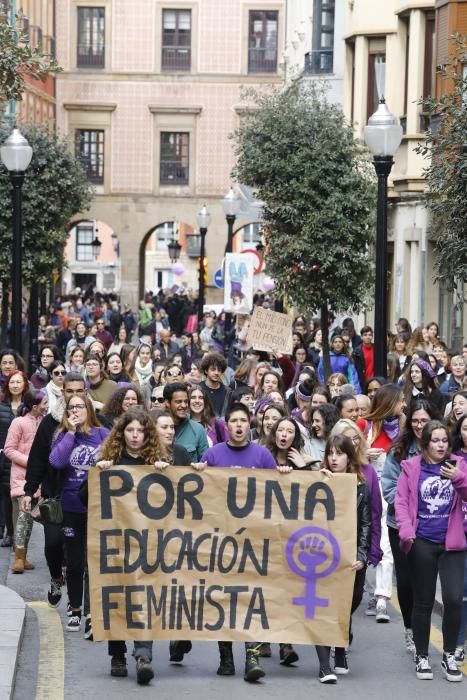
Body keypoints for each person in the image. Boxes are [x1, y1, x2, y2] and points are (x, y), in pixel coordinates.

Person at [193, 402, 277, 682]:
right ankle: (226, 656)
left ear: (249, 424)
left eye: (243, 421)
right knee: (224, 600)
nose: (239, 426)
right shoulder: (213, 455)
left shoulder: (263, 455)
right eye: (234, 421)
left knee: (252, 598)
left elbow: (280, 494)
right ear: (226, 425)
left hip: (254, 542)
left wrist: (287, 475)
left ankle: (252, 654)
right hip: (220, 543)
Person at [93, 408, 171, 684]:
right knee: (116, 598)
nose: (135, 436)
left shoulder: (159, 463)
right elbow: (85, 500)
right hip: (115, 546)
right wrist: (99, 473)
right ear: (121, 433)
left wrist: (167, 475)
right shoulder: (109, 461)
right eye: (130, 430)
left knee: (144, 598)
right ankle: (117, 654)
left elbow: (181, 504)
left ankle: (143, 655)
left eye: (141, 431)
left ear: (148, 433)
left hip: (149, 547)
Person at [395, 420, 467, 682]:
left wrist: (457, 477)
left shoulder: (458, 464)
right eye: (435, 440)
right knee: (423, 601)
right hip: (422, 541)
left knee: (453, 598)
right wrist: (405, 530)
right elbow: (401, 501)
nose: (441, 445)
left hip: (452, 544)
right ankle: (422, 655)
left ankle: (449, 655)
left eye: (445, 440)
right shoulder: (412, 467)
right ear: (425, 444)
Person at [381, 399, 442, 654]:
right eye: (415, 421)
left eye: (424, 421)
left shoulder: (441, 448)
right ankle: (410, 629)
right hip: (401, 525)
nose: (419, 425)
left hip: (431, 527)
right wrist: (410, 501)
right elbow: (389, 488)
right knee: (405, 582)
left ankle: (421, 632)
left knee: (424, 583)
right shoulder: (398, 449)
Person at [22, 373, 87, 609]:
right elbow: (37, 459)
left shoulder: (95, 423)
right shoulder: (50, 422)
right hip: (55, 498)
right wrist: (29, 491)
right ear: (63, 393)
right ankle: (56, 580)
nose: (75, 396)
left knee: (79, 555)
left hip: (84, 499)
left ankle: (77, 606)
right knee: (52, 545)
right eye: (70, 391)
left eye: (79, 391)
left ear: (85, 393)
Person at [312, 435, 371, 683]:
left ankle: (340, 644)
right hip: (321, 557)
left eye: (339, 453)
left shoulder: (360, 486)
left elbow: (366, 523)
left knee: (350, 602)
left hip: (349, 558)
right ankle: (325, 666)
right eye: (330, 453)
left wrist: (361, 555)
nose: (334, 458)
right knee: (322, 607)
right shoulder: (316, 482)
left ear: (349, 457)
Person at [49, 394, 109, 633]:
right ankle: (74, 608)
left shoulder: (102, 434)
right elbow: (56, 462)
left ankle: (92, 613)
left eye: (80, 406)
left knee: (93, 562)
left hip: (97, 508)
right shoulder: (63, 435)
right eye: (71, 407)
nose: (76, 410)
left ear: (89, 409)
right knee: (74, 563)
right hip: (71, 507)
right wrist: (71, 433)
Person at [4, 390, 48, 573]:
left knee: (32, 520)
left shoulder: (45, 423)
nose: (47, 406)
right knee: (23, 516)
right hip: (22, 479)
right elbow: (9, 449)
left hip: (41, 480)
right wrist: (31, 462)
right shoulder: (18, 422)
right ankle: (19, 558)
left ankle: (24, 555)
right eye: (45, 403)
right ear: (35, 407)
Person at [0, 370, 29, 547]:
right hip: (4, 456)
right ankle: (10, 532)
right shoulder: (2, 406)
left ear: (24, 384)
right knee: (6, 495)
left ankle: (21, 535)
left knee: (22, 495)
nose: (15, 385)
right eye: (12, 382)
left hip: (24, 456)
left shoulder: (29, 406)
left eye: (18, 382)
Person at [164, 382, 208, 461]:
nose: (184, 405)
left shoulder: (198, 430)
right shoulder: (155, 427)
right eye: (178, 402)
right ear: (167, 402)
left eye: (186, 401)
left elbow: (205, 463)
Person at [199, 352, 231, 417]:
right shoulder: (198, 389)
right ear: (206, 371)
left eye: (219, 370)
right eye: (213, 369)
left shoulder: (227, 391)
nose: (216, 373)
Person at [352, 326, 374, 393]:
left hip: (374, 381)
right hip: (362, 383)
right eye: (365, 335)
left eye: (370, 335)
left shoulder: (377, 349)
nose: (368, 337)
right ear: (361, 337)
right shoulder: (356, 352)